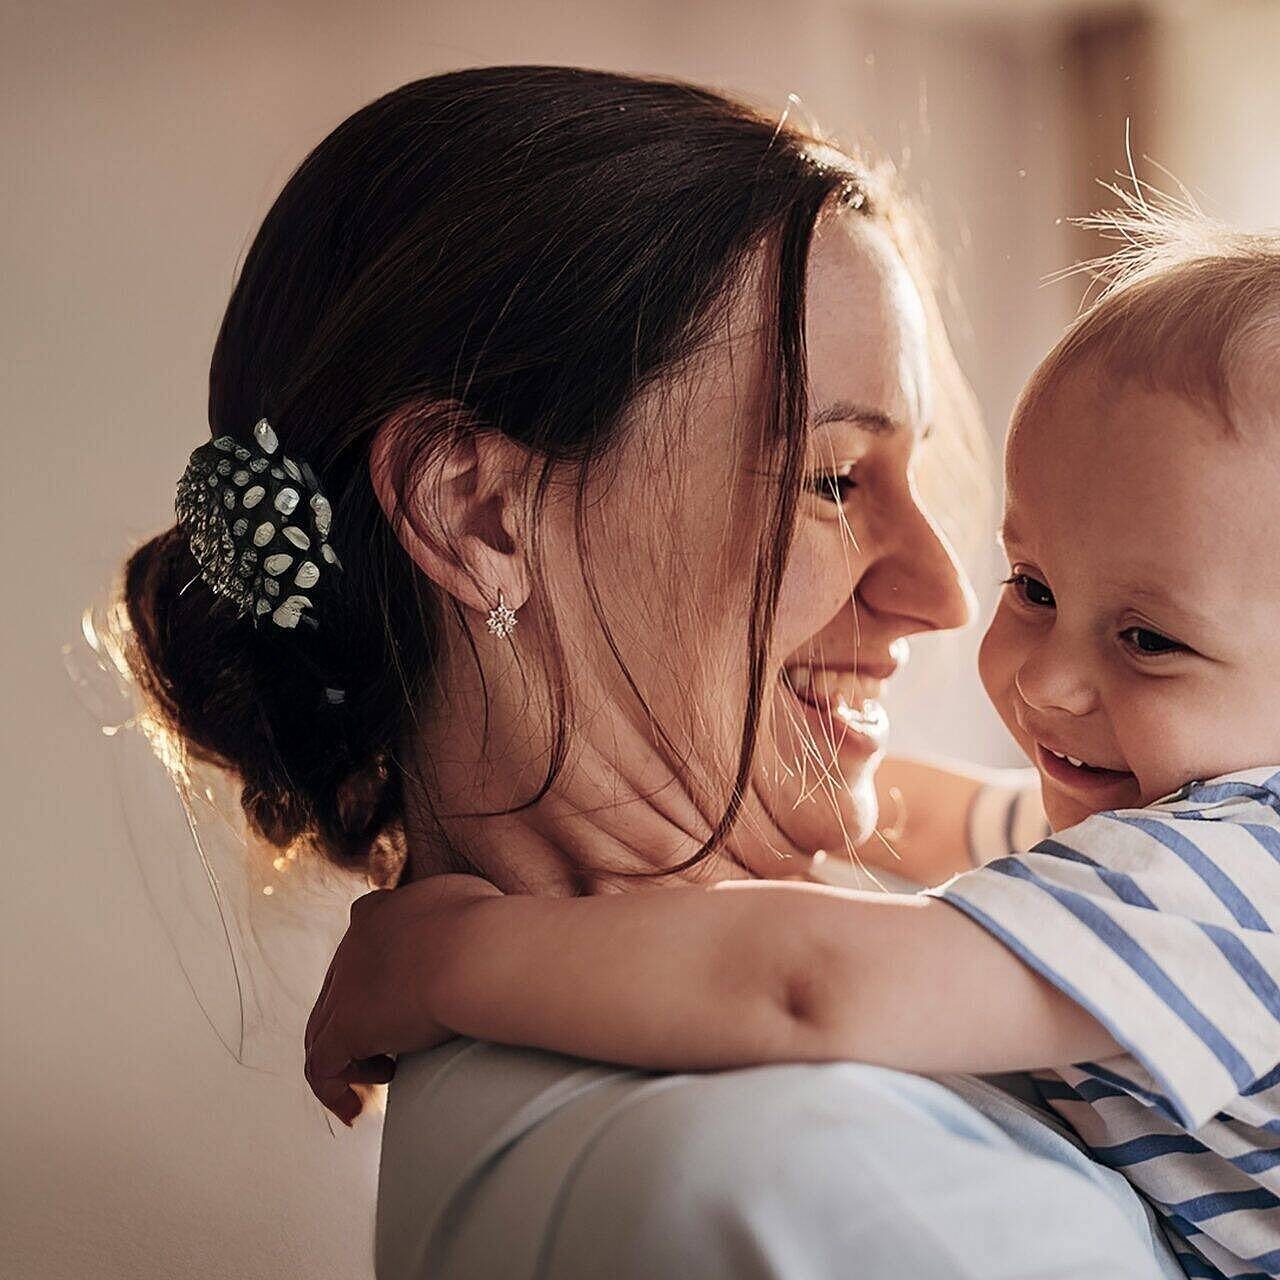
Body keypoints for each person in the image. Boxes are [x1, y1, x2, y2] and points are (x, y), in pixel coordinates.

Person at [120, 66, 1181, 1277]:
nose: (942, 594)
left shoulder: (539, 1098)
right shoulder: (796, 1186)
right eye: (831, 479)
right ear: (479, 513)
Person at [307, 198, 1280, 1279]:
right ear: (482, 513)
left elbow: (805, 983)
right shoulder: (1165, 840)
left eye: (1149, 639)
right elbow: (951, 817)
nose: (1040, 680)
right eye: (1034, 586)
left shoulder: (1233, 875)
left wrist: (447, 957)